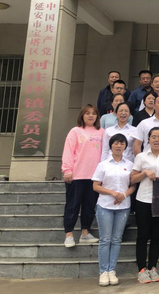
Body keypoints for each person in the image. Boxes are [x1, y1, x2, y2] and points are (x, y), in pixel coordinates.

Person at [92, 133, 136, 287]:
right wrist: (112, 193)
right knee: (105, 239)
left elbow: (133, 185)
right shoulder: (103, 164)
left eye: (122, 143)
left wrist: (123, 195)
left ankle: (112, 270)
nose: (119, 146)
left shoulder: (130, 164)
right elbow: (95, 186)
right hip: (105, 205)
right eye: (116, 143)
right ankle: (103, 271)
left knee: (116, 239)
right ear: (111, 145)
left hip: (123, 206)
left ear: (125, 147)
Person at [131, 127, 159, 284]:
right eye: (153, 137)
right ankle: (142, 269)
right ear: (148, 139)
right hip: (143, 199)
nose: (156, 139)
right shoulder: (141, 156)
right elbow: (133, 179)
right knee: (143, 235)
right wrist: (144, 173)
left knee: (156, 236)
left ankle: (152, 267)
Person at [61, 105, 105, 248]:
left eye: (93, 113)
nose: (91, 116)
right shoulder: (75, 131)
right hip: (77, 175)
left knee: (89, 206)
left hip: (94, 176)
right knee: (72, 205)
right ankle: (69, 234)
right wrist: (67, 170)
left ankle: (85, 233)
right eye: (87, 113)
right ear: (82, 115)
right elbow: (68, 151)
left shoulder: (102, 132)